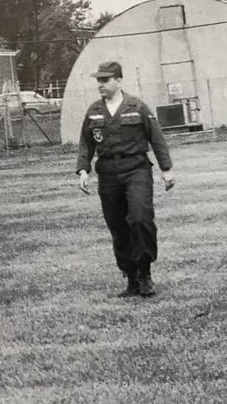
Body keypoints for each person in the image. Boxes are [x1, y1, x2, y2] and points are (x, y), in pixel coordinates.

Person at [76, 61, 174, 297]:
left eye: (105, 80)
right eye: (98, 80)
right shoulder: (94, 111)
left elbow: (157, 138)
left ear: (118, 80)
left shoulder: (137, 106)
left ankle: (145, 273)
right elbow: (85, 143)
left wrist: (166, 168)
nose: (100, 85)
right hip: (108, 172)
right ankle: (131, 277)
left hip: (136, 168)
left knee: (140, 218)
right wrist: (83, 170)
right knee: (118, 226)